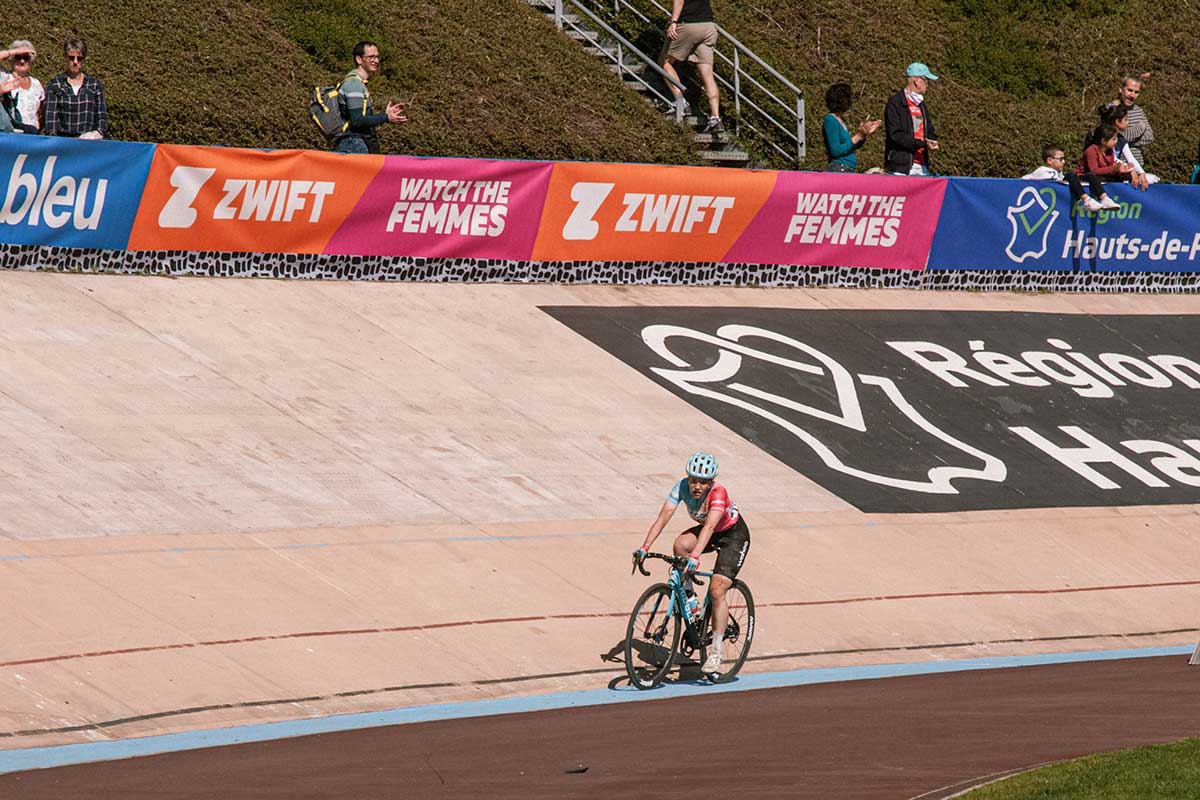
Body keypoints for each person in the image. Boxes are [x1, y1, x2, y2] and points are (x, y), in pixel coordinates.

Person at [632, 452, 750, 676]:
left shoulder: (718, 493)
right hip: (711, 531)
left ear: (711, 482)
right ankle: (692, 602)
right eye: (693, 479)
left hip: (733, 536)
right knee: (680, 546)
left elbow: (708, 528)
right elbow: (662, 518)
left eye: (703, 482)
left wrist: (695, 557)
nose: (696, 486)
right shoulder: (681, 487)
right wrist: (644, 547)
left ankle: (715, 652)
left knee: (717, 590)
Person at [332, 41, 408, 154]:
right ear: (359, 59)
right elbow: (357, 121)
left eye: (377, 57)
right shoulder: (354, 84)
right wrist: (386, 117)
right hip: (354, 145)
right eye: (371, 57)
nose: (376, 61)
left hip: (355, 143)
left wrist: (386, 115)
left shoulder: (358, 83)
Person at [661, 0, 722, 134]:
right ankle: (715, 117)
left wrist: (673, 22)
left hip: (688, 24)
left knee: (664, 63)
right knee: (707, 74)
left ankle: (681, 102)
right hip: (708, 26)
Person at [44, 38, 107, 139]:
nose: (75, 62)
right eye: (71, 58)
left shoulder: (94, 85)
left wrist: (98, 133)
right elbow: (50, 119)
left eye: (79, 58)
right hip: (63, 142)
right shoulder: (55, 84)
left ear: (84, 59)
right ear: (65, 58)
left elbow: (101, 116)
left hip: (90, 142)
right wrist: (53, 139)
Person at [884, 62, 939, 176]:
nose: (927, 85)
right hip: (900, 167)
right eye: (926, 81)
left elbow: (930, 130)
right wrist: (922, 144)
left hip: (922, 166)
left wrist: (932, 141)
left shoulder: (922, 104)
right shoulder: (895, 102)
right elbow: (895, 134)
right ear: (917, 80)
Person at [822, 83, 881, 173]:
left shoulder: (841, 120)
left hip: (847, 168)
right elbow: (835, 150)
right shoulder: (830, 120)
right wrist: (857, 137)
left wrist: (863, 134)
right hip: (839, 167)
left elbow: (849, 146)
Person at [1069, 124, 1128, 213]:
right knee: (1092, 176)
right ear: (1104, 141)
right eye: (1114, 139)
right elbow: (1094, 170)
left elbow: (1108, 168)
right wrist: (1112, 169)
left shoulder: (1110, 152)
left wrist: (1119, 171)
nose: (1116, 141)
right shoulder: (1091, 150)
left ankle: (1107, 200)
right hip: (1084, 176)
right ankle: (1100, 199)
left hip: (1099, 176)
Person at [1099, 103, 1156, 189]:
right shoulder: (1103, 138)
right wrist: (1130, 169)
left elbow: (1130, 158)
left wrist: (1141, 173)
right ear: (1117, 122)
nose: (1128, 123)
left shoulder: (1121, 139)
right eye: (1125, 120)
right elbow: (1111, 158)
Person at [1113, 74, 1154, 168]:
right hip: (1116, 165)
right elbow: (1111, 137)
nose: (1132, 95)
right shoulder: (1112, 109)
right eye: (1130, 90)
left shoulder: (1138, 111)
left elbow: (1149, 137)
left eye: (1136, 92)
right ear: (1121, 89)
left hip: (1137, 163)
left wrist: (1124, 139)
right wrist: (1139, 130)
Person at [3, 40, 44, 134]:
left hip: (32, 136)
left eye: (26, 57)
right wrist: (12, 52)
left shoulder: (36, 84)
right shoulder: (4, 78)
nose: (22, 61)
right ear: (11, 59)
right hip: (10, 134)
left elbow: (41, 111)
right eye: (18, 57)